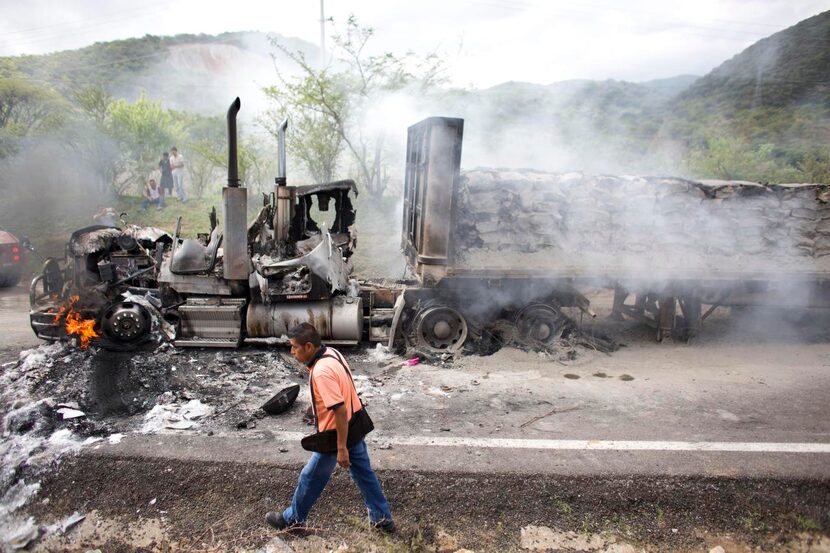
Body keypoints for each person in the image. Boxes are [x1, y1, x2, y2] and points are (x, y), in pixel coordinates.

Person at [265, 323, 395, 533]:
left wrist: (341, 448)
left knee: (310, 477)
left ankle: (293, 520)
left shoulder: (321, 371)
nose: (292, 351)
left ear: (308, 347)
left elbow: (339, 411)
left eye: (294, 347)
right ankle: (383, 520)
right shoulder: (332, 353)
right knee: (364, 475)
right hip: (355, 426)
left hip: (336, 435)